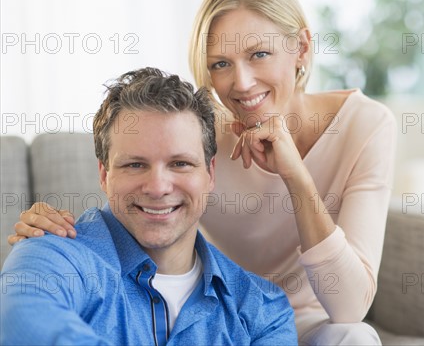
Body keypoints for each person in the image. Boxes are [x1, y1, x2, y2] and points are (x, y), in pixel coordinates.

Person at [9, 0, 397, 345]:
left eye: (259, 54)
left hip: (285, 314)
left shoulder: (365, 125)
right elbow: (143, 197)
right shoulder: (200, 124)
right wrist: (52, 230)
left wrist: (296, 176)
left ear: (302, 48)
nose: (242, 84)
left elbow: (349, 307)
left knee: (355, 338)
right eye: (220, 64)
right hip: (215, 311)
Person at [1, 67, 297, 345]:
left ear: (210, 174)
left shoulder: (263, 312)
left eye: (180, 163)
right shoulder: (49, 255)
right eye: (135, 164)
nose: (157, 187)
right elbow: (23, 325)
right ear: (104, 174)